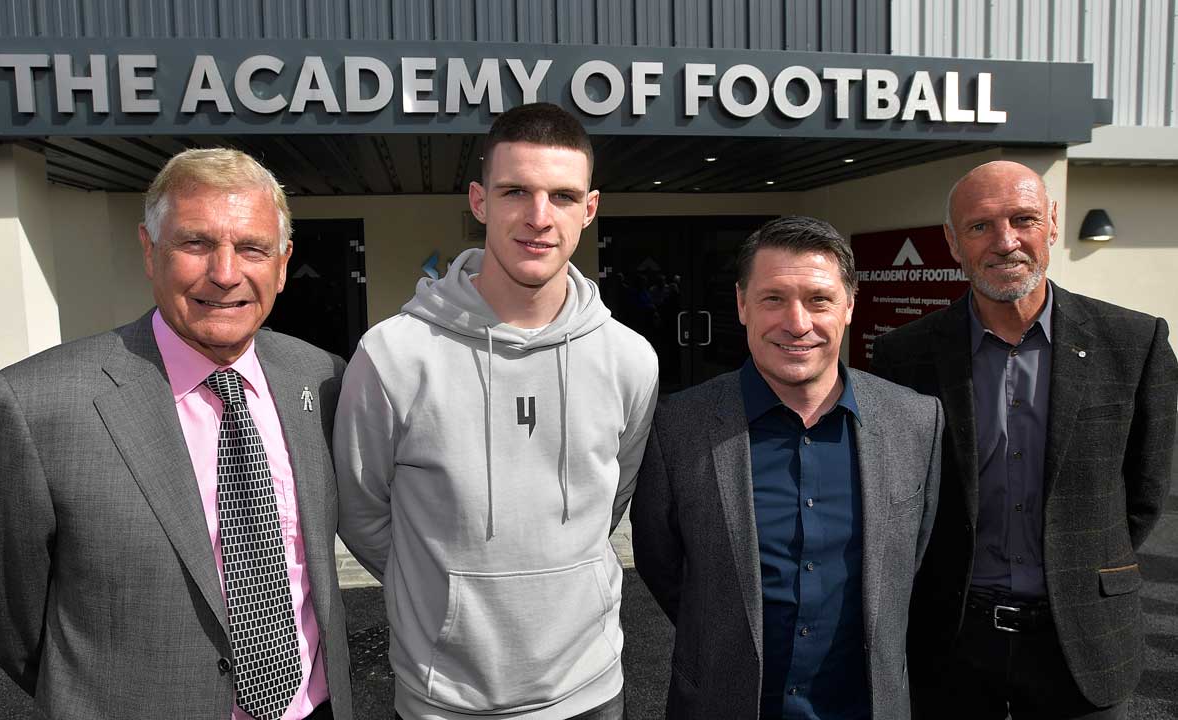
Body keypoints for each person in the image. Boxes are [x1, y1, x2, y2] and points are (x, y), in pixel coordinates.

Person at [0, 148, 352, 720]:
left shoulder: (322, 377)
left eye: (252, 248)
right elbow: (2, 608)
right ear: (149, 250)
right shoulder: (33, 407)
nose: (225, 273)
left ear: (283, 263)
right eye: (195, 244)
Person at [333, 102, 658, 720]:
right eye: (516, 191)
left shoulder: (630, 359)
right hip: (444, 700)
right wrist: (445, 592)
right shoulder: (393, 354)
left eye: (563, 196)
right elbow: (363, 512)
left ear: (589, 210)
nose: (539, 218)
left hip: (591, 689)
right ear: (480, 202)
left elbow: (611, 501)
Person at [871, 160, 1178, 719]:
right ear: (952, 242)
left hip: (1083, 634)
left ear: (1052, 224)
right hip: (952, 637)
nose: (1005, 241)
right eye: (980, 226)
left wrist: (1079, 559)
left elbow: (1146, 491)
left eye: (1023, 219)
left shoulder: (1135, 343)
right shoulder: (903, 356)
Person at [632, 216, 944, 719]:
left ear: (849, 306)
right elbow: (662, 565)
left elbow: (914, 560)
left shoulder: (916, 421)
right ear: (741, 305)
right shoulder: (678, 426)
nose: (796, 323)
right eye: (773, 298)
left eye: (818, 299)